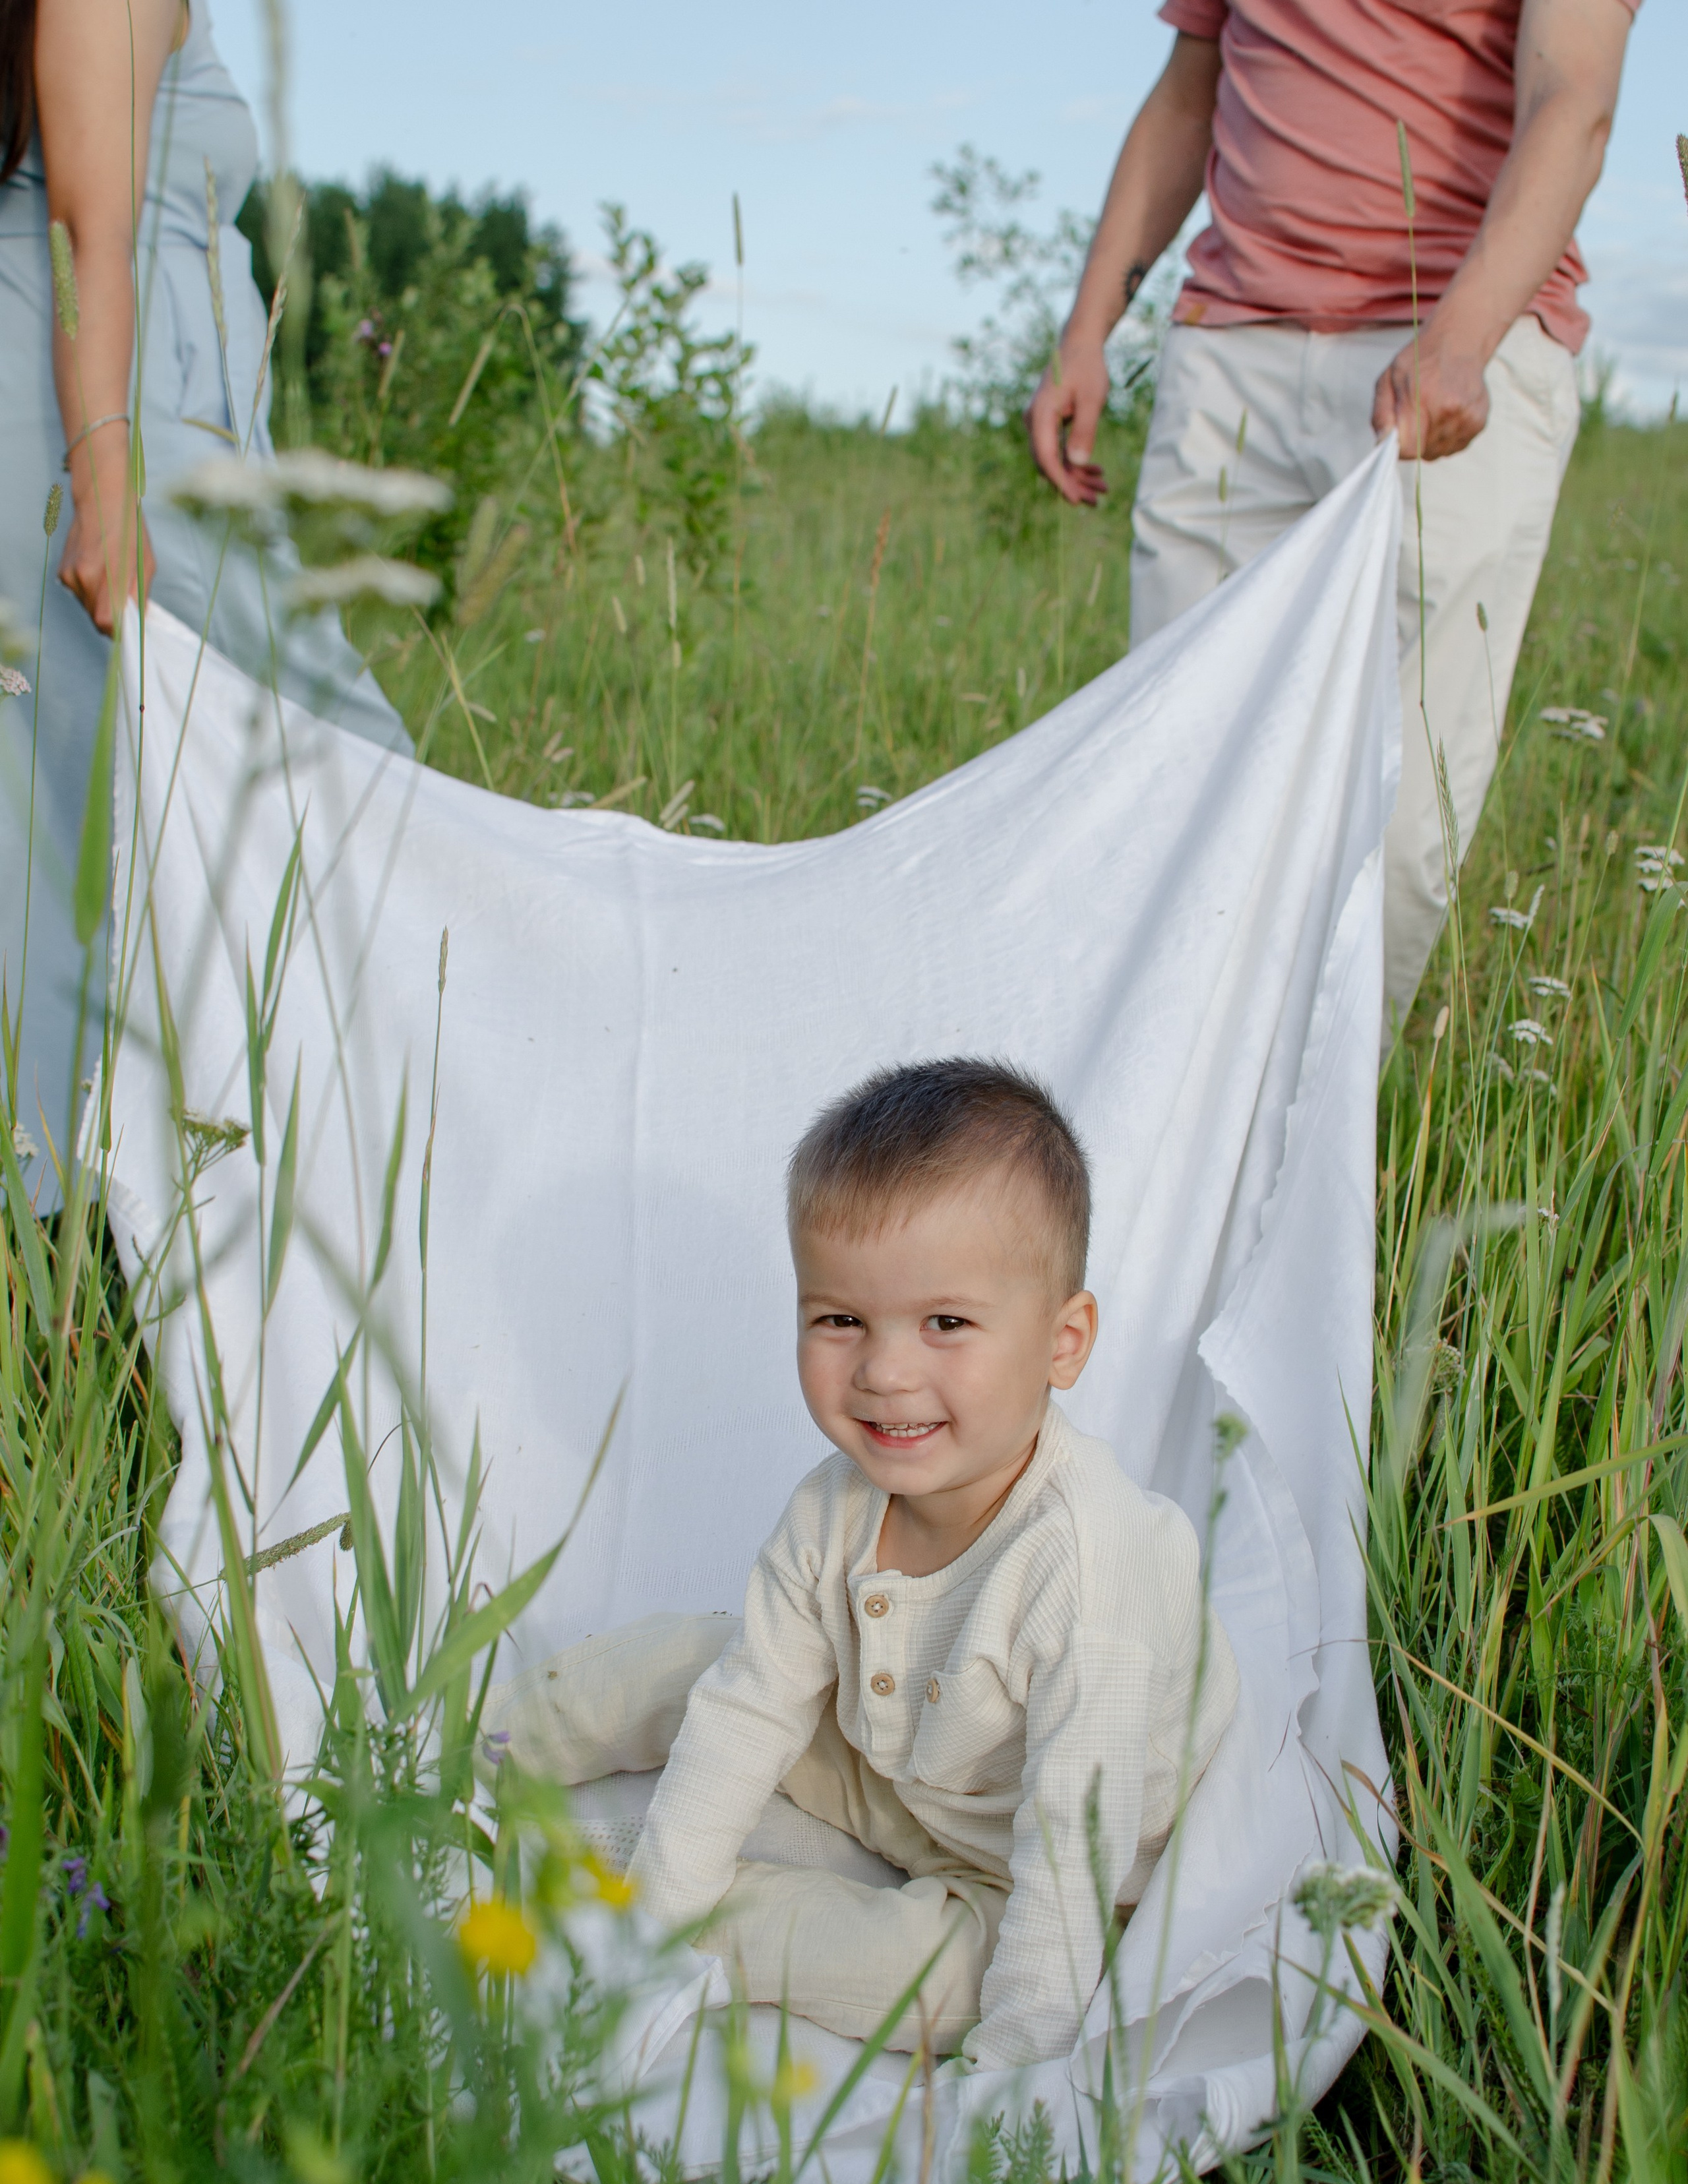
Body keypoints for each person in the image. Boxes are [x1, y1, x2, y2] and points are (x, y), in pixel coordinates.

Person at [482, 1060, 1238, 2069]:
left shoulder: (1086, 1567)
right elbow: (753, 1707)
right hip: (894, 1770)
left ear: (1064, 1341)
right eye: (841, 1319)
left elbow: (1071, 1849)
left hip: (1032, 1873)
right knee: (697, 1666)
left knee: (902, 1974)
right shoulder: (834, 1505)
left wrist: (1018, 2081)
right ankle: (462, 1749)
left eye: (947, 1323)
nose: (884, 1372)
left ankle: (611, 1891)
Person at [1026, 0, 1641, 1031]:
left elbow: (1573, 98)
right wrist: (1088, 329)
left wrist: (1463, 336)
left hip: (1444, 353)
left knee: (1396, 834)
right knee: (1180, 801)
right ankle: (1172, 1142)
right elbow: (1192, 88)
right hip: (1230, 352)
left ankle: (1310, 1141)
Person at [0, 0, 410, 1187]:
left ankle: (92, 1227)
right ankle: (338, 1187)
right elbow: (89, 230)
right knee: (363, 787)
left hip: (107, 424)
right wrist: (105, 473)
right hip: (110, 434)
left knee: (69, 841)